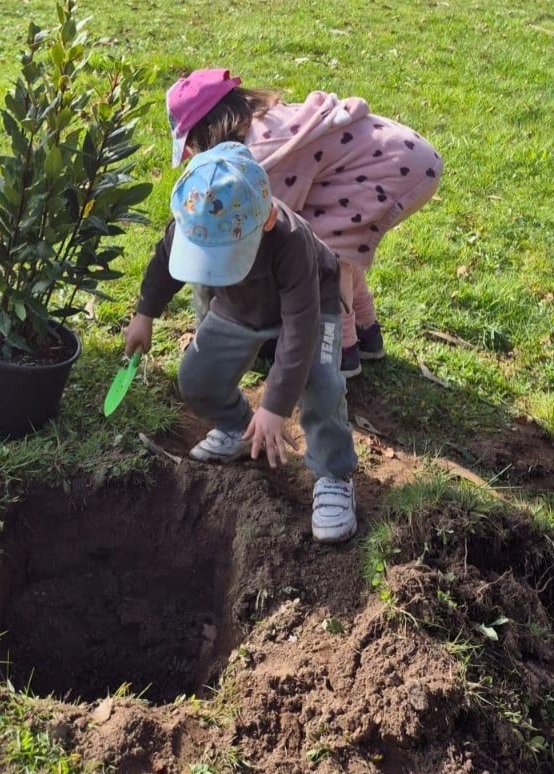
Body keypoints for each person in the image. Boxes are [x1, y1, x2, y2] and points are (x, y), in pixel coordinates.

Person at [124, 142, 358, 544]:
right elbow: (164, 262)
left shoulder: (291, 241)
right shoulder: (193, 218)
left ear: (265, 221)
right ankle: (237, 428)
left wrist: (273, 407)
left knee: (321, 385)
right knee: (197, 377)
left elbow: (300, 332)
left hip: (311, 311)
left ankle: (333, 474)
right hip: (239, 308)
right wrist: (145, 313)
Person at [166, 68, 443, 377]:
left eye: (191, 147)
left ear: (209, 130)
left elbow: (272, 227)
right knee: (342, 246)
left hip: (391, 170)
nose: (192, 157)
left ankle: (341, 353)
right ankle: (367, 334)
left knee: (322, 256)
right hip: (403, 157)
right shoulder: (262, 121)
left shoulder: (263, 160)